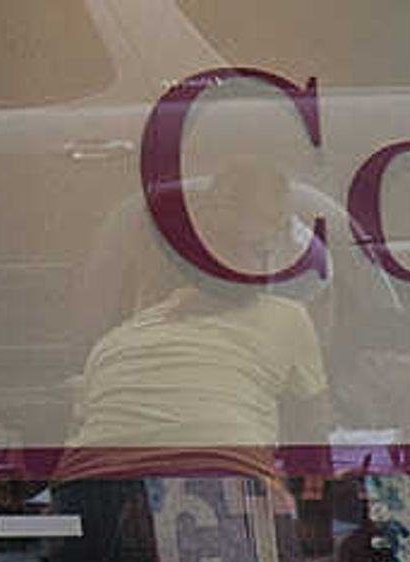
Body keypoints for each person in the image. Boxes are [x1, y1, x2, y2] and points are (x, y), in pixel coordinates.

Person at [67, 156, 327, 472]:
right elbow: (312, 453)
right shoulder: (286, 317)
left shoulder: (116, 341)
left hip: (84, 487)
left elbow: (81, 432)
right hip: (219, 485)